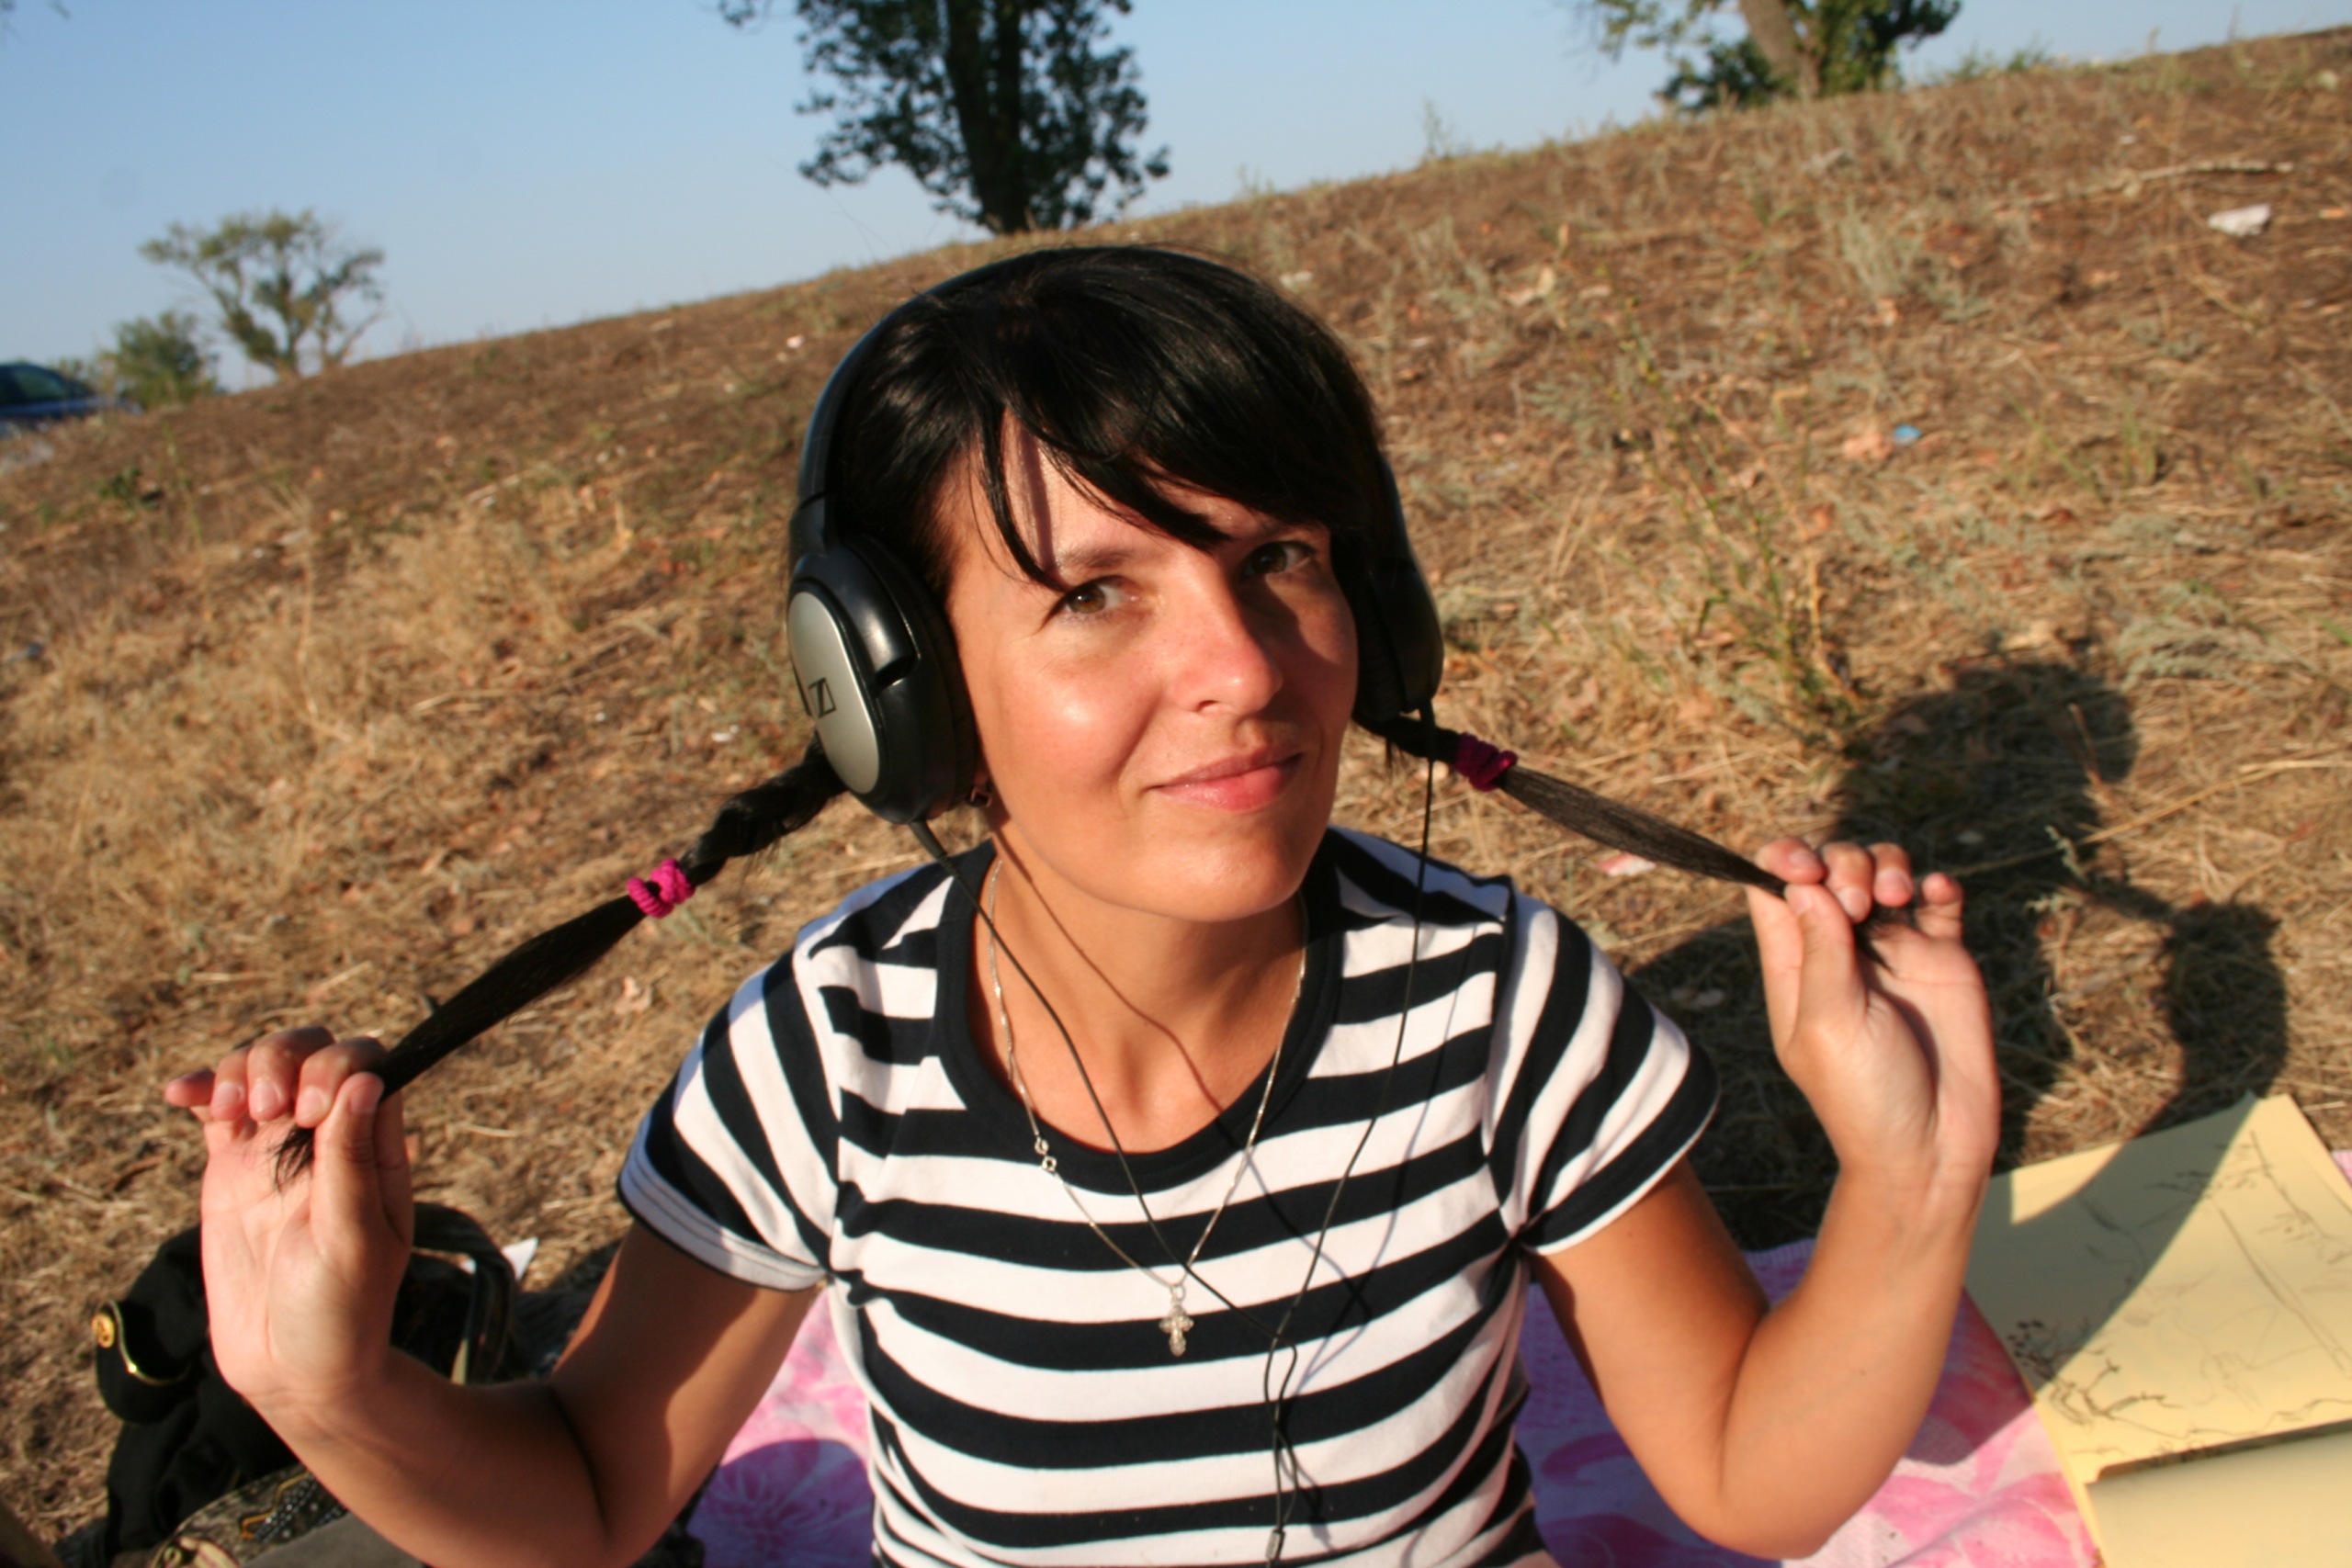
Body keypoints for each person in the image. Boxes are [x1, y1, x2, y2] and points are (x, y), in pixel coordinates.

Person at [164, 247, 1997, 1568]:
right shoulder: (831, 1058)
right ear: (901, 694)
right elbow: (586, 1498)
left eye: (1278, 557)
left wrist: (1909, 1174)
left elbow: (1746, 1473)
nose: (1241, 667)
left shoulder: (1500, 1002)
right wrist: (330, 1392)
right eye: (1093, 594)